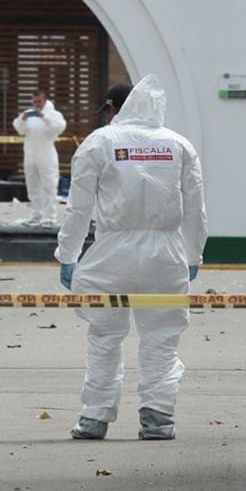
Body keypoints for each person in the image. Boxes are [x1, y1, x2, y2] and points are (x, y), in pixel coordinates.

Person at [55, 75, 208, 441]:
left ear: (112, 108)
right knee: (161, 338)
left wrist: (68, 254)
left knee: (105, 336)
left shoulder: (100, 142)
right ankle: (157, 417)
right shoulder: (179, 145)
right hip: (166, 256)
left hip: (111, 253)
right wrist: (193, 254)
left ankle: (94, 417)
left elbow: (78, 208)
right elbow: (195, 210)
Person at [12, 90, 67, 225]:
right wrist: (22, 119)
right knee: (33, 186)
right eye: (34, 101)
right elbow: (20, 130)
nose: (37, 104)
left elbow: (59, 128)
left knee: (49, 186)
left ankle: (49, 216)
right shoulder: (29, 114)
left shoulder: (53, 114)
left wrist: (44, 117)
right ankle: (36, 214)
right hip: (30, 155)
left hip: (47, 155)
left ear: (45, 100)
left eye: (39, 102)